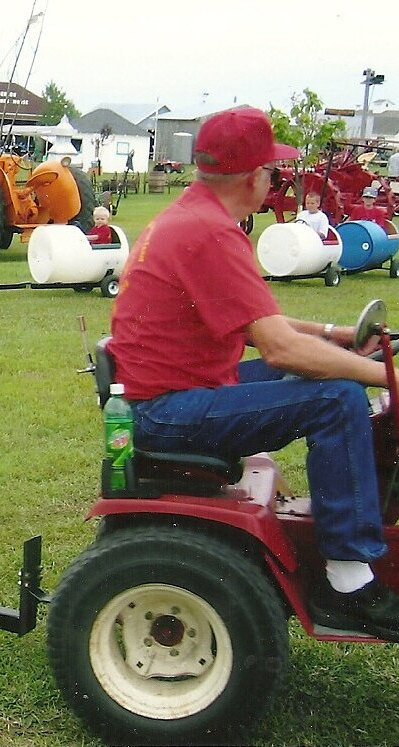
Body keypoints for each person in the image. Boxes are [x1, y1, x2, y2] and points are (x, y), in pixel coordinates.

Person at [108, 107, 399, 642]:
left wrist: (334, 335)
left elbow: (256, 323)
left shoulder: (190, 219)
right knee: (336, 397)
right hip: (169, 409)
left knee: (338, 378)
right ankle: (350, 577)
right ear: (252, 177)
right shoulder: (210, 233)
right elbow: (281, 348)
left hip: (175, 389)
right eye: (273, 171)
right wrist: (382, 377)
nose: (275, 181)